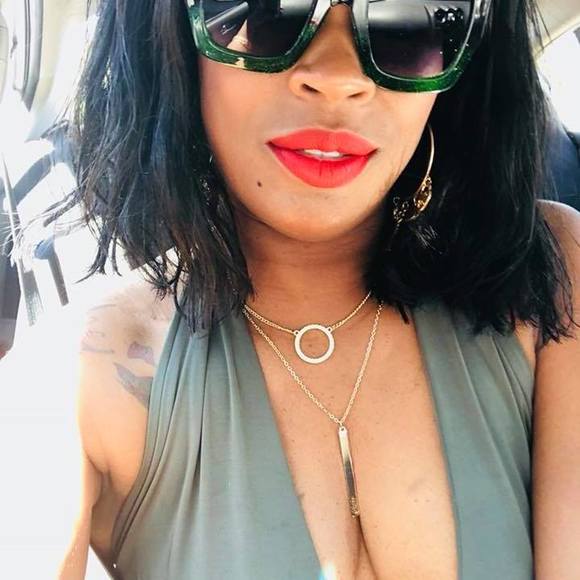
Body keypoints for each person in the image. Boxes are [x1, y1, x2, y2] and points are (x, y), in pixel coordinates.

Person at [1, 0, 580, 578]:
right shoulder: (76, 378)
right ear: (169, 34)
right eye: (270, 9)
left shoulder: (552, 279)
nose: (337, 77)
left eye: (406, 19)